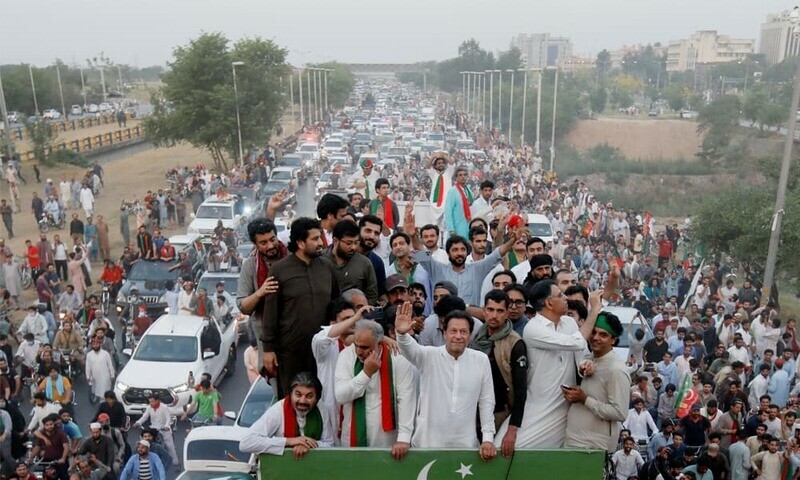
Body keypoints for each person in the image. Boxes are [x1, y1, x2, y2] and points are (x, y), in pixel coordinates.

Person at [395, 304, 497, 459]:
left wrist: (488, 439)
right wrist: (402, 335)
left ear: (470, 335)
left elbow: (487, 400)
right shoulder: (429, 355)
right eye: (453, 331)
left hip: (465, 446)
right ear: (444, 333)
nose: (458, 336)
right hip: (427, 445)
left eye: (463, 332)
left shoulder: (480, 360)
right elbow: (410, 350)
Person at [505, 280, 597, 449]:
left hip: (565, 408)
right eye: (561, 295)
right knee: (505, 450)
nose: (566, 299)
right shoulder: (533, 329)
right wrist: (594, 311)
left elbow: (580, 355)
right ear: (549, 303)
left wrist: (586, 365)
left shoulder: (569, 323)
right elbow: (576, 342)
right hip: (538, 408)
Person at [263, 218, 340, 397]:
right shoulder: (280, 270)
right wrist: (268, 349)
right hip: (290, 351)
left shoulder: (327, 267)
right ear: (300, 243)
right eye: (314, 239)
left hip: (322, 350)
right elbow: (270, 311)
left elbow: (336, 304)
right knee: (291, 401)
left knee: (323, 399)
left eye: (320, 237)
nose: (320, 243)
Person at [334, 320, 415, 459]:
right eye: (356, 345)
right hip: (352, 436)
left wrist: (404, 438)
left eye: (365, 347)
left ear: (379, 343)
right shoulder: (346, 356)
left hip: (388, 439)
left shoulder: (397, 357)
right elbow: (341, 396)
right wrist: (366, 374)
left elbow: (406, 398)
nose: (359, 351)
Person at [469, 290, 528, 458]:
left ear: (507, 312)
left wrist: (512, 429)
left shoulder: (515, 343)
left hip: (500, 414)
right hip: (473, 411)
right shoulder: (477, 337)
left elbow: (521, 389)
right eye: (490, 310)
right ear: (483, 310)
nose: (494, 315)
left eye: (500, 311)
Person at [564, 310, 631, 451]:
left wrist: (584, 399)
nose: (595, 337)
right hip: (577, 442)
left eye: (603, 335)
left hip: (593, 447)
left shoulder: (616, 370)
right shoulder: (592, 359)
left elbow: (620, 413)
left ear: (613, 339)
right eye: (593, 332)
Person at [240, 372, 334, 460]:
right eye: (298, 395)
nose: (302, 401)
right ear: (290, 394)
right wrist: (289, 441)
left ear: (316, 398)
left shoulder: (320, 409)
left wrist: (308, 445)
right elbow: (246, 443)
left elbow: (330, 444)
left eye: (309, 396)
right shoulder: (278, 410)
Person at [236, 218, 284, 358]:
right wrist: (260, 293)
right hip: (267, 341)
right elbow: (243, 306)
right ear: (255, 245)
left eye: (272, 239)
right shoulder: (250, 266)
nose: (270, 246)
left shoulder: (292, 257)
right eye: (263, 243)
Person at [322, 220, 378, 304]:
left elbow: (372, 295)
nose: (353, 247)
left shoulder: (364, 263)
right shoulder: (320, 260)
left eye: (356, 243)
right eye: (349, 243)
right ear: (335, 241)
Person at [132, 394, 178, 468]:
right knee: (144, 441)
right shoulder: (149, 408)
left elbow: (168, 418)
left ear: (158, 401)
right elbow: (144, 417)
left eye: (152, 401)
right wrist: (138, 423)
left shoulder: (164, 407)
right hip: (153, 428)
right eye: (150, 402)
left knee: (170, 446)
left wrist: (166, 426)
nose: (151, 403)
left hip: (163, 428)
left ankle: (176, 463)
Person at [30, 413, 70, 480]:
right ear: (44, 426)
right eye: (47, 425)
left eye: (51, 424)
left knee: (64, 477)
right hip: (47, 461)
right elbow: (37, 447)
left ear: (53, 424)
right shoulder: (42, 434)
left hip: (59, 461)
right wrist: (30, 458)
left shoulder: (60, 433)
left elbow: (66, 447)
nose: (49, 426)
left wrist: (63, 458)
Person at [444, 167, 473, 239]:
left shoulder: (468, 190)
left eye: (464, 175)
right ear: (456, 178)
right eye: (460, 175)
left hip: (467, 225)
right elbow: (448, 210)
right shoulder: (452, 191)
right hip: (456, 226)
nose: (463, 177)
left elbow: (471, 203)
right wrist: (451, 229)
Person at [85, 338, 114, 405]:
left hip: (105, 376)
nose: (95, 345)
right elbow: (88, 366)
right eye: (93, 344)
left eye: (97, 344)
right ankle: (98, 398)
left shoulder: (105, 354)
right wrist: (88, 376)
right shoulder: (89, 355)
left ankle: (103, 403)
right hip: (95, 376)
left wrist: (112, 375)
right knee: (96, 389)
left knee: (104, 390)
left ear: (100, 344)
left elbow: (110, 365)